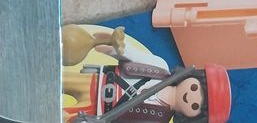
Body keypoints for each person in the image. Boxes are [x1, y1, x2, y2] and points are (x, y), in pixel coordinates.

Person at [61, 24, 231, 122]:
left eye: (195, 106)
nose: (190, 97)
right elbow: (132, 54)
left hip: (94, 113)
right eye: (195, 88)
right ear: (192, 76)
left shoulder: (158, 120)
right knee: (58, 81)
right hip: (98, 82)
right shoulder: (159, 67)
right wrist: (114, 46)